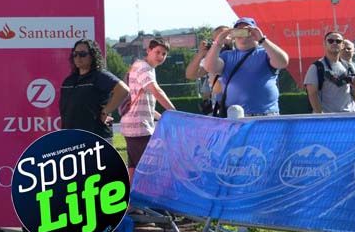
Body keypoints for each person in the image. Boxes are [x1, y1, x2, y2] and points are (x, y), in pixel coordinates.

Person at [202, 17, 289, 117]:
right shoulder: (226, 56)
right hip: (235, 116)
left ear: (254, 32)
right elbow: (209, 67)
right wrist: (218, 43)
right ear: (234, 34)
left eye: (247, 30)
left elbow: (283, 62)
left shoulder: (265, 53)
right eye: (239, 31)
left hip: (266, 114)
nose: (243, 34)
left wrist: (262, 39)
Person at [121, 39, 178, 178]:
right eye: (157, 52)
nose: (161, 56)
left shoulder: (142, 67)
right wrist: (175, 112)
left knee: (134, 167)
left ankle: (131, 192)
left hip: (133, 126)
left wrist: (161, 116)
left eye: (164, 54)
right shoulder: (144, 67)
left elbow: (144, 104)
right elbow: (156, 91)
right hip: (139, 127)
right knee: (149, 169)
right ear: (148, 51)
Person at [59, 39, 130, 140]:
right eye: (75, 54)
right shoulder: (69, 81)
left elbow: (123, 90)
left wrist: (105, 111)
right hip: (73, 137)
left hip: (96, 136)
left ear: (92, 55)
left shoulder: (99, 76)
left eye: (82, 54)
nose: (78, 57)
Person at [305, 31, 355, 114]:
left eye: (338, 41)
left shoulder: (349, 66)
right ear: (324, 44)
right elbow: (312, 94)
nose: (334, 43)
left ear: (342, 45)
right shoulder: (317, 67)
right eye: (330, 41)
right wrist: (321, 116)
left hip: (350, 114)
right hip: (328, 116)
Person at [185, 26, 230, 114]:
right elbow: (190, 75)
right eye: (215, 40)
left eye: (223, 36)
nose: (219, 41)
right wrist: (201, 54)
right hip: (220, 109)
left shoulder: (240, 54)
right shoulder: (211, 61)